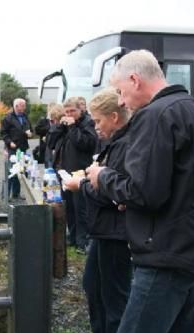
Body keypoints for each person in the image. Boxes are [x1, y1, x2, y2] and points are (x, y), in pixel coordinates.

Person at [86, 49, 194, 333]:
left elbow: (144, 192)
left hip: (166, 253)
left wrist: (103, 176)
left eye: (121, 91)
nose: (122, 101)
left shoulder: (154, 116)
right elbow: (190, 183)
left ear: (135, 80)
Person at [64, 88, 132, 333]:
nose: (95, 127)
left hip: (117, 234)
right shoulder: (115, 143)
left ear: (114, 117)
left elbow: (113, 194)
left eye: (98, 121)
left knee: (115, 298)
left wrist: (82, 183)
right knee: (93, 285)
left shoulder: (125, 145)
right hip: (104, 230)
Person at [51, 97, 97, 252]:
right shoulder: (66, 125)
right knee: (69, 206)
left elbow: (86, 143)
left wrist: (72, 128)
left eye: (73, 111)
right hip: (65, 172)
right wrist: (60, 127)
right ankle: (73, 236)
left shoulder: (88, 123)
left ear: (81, 110)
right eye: (67, 111)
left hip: (79, 172)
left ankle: (82, 241)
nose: (70, 114)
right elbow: (51, 141)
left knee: (80, 208)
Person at [0, 98, 32, 200]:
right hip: (12, 149)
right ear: (16, 106)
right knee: (11, 172)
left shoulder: (25, 116)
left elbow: (30, 128)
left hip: (22, 148)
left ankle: (16, 194)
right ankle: (5, 195)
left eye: (24, 105)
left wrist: (30, 133)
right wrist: (10, 142)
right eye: (23, 105)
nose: (24, 107)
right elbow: (3, 133)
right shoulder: (8, 118)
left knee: (20, 171)